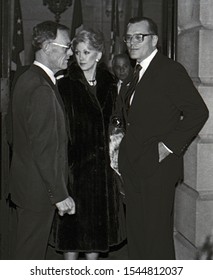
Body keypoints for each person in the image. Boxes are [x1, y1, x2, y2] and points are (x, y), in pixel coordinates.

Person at [113, 16, 209, 259]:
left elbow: (198, 112)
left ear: (154, 40)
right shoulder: (136, 73)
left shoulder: (169, 70)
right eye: (129, 37)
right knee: (136, 235)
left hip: (157, 168)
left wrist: (167, 147)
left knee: (156, 238)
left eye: (139, 37)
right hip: (134, 166)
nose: (132, 42)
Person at [51, 29, 126, 260]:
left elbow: (118, 129)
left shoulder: (112, 86)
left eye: (87, 51)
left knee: (95, 239)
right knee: (72, 239)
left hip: (103, 175)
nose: (81, 57)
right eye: (78, 52)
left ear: (99, 54)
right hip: (75, 173)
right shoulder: (64, 86)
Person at [8, 21, 75, 260]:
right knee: (29, 255)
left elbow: (12, 135)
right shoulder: (41, 88)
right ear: (47, 47)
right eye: (66, 47)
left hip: (25, 185)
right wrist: (59, 194)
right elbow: (45, 149)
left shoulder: (26, 78)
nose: (70, 53)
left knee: (26, 250)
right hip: (38, 191)